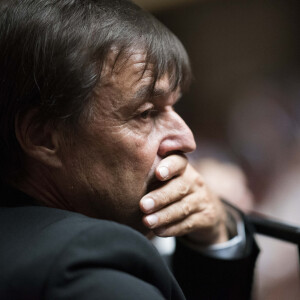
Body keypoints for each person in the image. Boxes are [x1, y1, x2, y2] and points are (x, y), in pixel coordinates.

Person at [0, 0, 259, 299]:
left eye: (174, 107)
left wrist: (214, 237)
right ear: (43, 136)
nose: (187, 139)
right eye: (146, 113)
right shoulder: (86, 269)